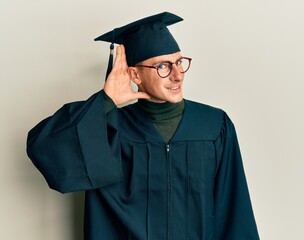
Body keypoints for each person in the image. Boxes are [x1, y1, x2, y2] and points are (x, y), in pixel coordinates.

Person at [27, 12, 260, 240]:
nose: (178, 75)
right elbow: (45, 149)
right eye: (163, 66)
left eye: (179, 62)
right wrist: (106, 101)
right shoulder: (108, 127)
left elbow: (234, 211)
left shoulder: (214, 126)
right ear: (135, 75)